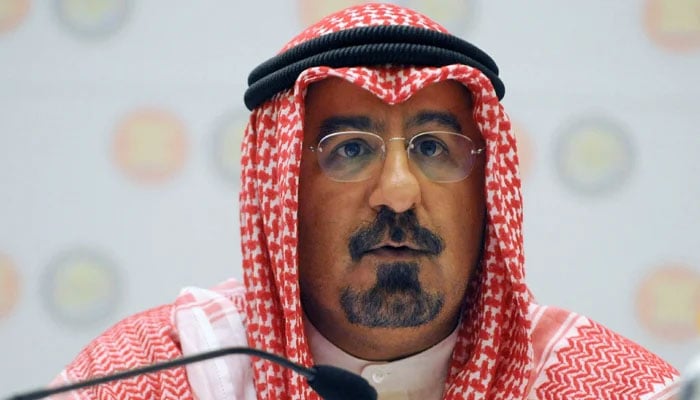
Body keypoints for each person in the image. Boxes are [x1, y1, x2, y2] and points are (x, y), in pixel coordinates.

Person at [49, 3, 680, 399]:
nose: (399, 192)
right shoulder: (156, 376)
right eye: (349, 149)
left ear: (486, 193)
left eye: (434, 148)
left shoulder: (610, 388)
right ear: (282, 193)